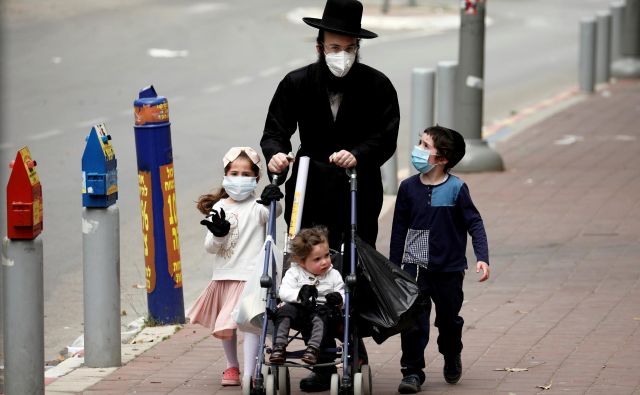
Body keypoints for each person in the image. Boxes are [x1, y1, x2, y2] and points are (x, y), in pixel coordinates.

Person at [260, 0, 400, 253]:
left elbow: (386, 136)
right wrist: (276, 155)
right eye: (335, 47)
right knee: (307, 260)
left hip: (359, 186)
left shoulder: (378, 85)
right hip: (309, 184)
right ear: (320, 47)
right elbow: (275, 132)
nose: (343, 56)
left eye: (350, 48)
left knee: (357, 262)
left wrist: (357, 154)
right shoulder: (296, 83)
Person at [389, 126, 490, 394]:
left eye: (425, 146)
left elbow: (474, 223)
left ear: (442, 158)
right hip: (416, 267)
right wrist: (393, 268)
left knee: (448, 321)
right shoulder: (408, 188)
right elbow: (399, 229)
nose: (417, 150)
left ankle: (451, 352)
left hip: (449, 268)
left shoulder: (457, 188)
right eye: (419, 143)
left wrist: (482, 257)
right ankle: (411, 371)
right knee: (413, 323)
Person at [186, 146, 283, 387]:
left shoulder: (257, 207)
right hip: (225, 276)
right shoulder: (219, 208)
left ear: (256, 178)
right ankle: (232, 366)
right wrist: (219, 234)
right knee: (227, 326)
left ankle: (251, 371)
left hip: (251, 278)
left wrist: (274, 198)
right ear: (226, 175)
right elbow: (210, 246)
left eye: (246, 174)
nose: (240, 179)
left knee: (249, 325)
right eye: (234, 173)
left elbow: (274, 214)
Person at [269, 227, 345, 370]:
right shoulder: (294, 272)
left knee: (323, 313)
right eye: (317, 259)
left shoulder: (333, 275)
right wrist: (299, 294)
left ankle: (313, 349)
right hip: (300, 313)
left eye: (327, 255)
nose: (324, 262)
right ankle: (279, 346)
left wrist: (339, 300)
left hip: (323, 315)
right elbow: (283, 292)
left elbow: (342, 294)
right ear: (302, 262)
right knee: (285, 310)